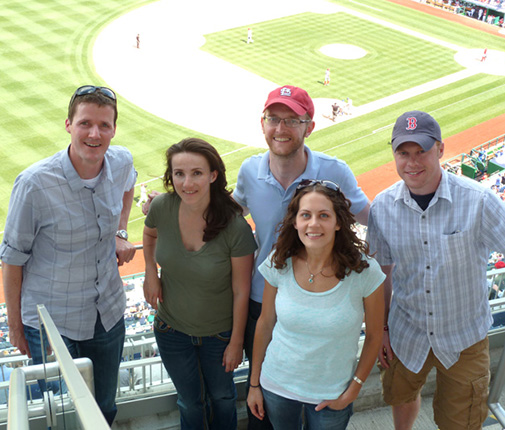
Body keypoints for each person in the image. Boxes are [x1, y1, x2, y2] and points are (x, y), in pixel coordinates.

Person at [233, 85, 370, 429]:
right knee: (264, 399)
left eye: (292, 120)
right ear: (262, 124)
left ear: (309, 126)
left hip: (321, 300)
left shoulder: (335, 171)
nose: (281, 129)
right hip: (263, 300)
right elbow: (227, 211)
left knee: (319, 399)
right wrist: (168, 204)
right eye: (274, 119)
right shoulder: (250, 171)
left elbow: (373, 217)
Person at [0, 85, 137, 425]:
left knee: (104, 407)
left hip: (107, 312)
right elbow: (13, 259)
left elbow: (128, 186)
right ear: (68, 125)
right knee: (59, 414)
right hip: (50, 323)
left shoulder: (121, 161)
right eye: (85, 123)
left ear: (114, 130)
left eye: (104, 125)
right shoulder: (33, 184)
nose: (95, 133)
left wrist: (121, 232)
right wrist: (16, 327)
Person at [367, 110, 505, 430]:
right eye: (404, 152)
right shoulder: (383, 206)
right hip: (406, 330)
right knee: (400, 396)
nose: (412, 162)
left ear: (440, 150)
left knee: (462, 420)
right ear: (394, 154)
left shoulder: (479, 200)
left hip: (464, 336)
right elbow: (380, 272)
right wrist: (382, 329)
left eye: (421, 151)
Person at [247, 180, 385, 430]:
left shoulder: (365, 271)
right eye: (305, 215)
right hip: (276, 386)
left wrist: (354, 388)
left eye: (324, 215)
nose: (313, 224)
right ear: (295, 221)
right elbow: (265, 323)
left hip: (332, 393)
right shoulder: (279, 261)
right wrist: (254, 384)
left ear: (338, 222)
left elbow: (375, 335)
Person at [142, 138, 257, 430]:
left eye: (196, 173)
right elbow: (150, 235)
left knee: (222, 397)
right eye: (179, 173)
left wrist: (236, 342)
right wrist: (150, 272)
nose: (187, 182)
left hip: (219, 336)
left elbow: (242, 290)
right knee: (189, 402)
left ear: (213, 175)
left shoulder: (234, 226)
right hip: (171, 330)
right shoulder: (161, 206)